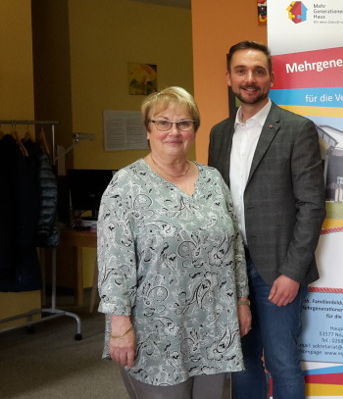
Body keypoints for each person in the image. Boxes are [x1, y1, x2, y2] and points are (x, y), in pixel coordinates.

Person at [97, 86, 251, 398]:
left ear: (194, 129)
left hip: (214, 326)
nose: (174, 132)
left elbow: (234, 248)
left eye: (184, 123)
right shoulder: (126, 185)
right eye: (162, 122)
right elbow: (115, 262)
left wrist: (242, 301)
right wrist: (120, 327)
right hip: (156, 329)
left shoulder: (212, 180)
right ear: (148, 130)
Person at [208, 40, 326, 399]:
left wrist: (292, 272)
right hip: (232, 268)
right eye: (241, 70)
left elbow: (312, 206)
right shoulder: (218, 133)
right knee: (241, 360)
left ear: (271, 78)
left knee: (281, 361)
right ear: (228, 77)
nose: (250, 78)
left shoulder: (296, 129)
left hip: (278, 269)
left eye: (258, 71)